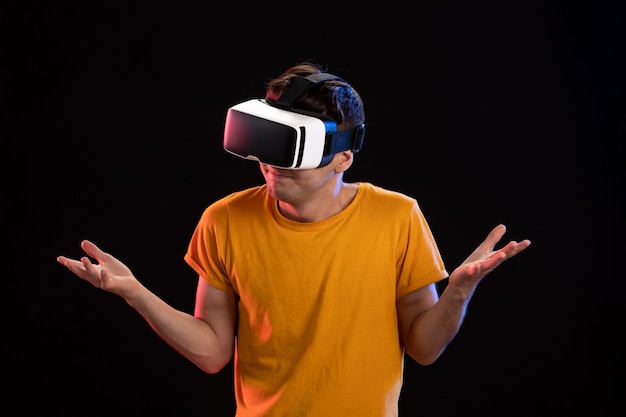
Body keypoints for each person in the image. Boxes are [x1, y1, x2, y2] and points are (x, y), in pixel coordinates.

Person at [57, 60, 531, 416]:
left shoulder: (397, 216)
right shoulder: (225, 220)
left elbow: (423, 348)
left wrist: (459, 292)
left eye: (289, 147)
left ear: (343, 159)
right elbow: (213, 352)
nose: (270, 162)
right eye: (266, 139)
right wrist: (135, 293)